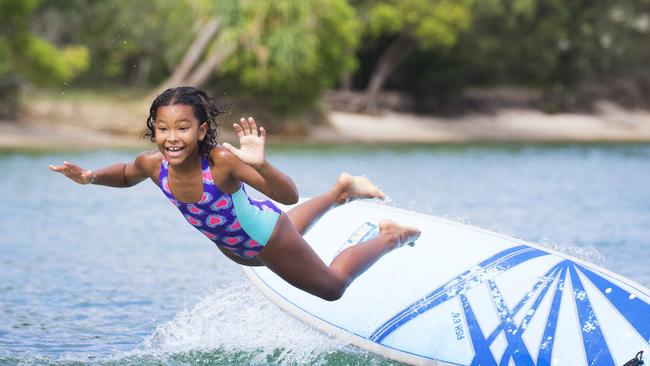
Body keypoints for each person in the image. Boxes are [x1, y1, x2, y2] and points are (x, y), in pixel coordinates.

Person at [49, 86, 420, 301]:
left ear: (201, 130)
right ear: (154, 131)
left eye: (182, 128)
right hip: (244, 244)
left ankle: (389, 236)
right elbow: (128, 174)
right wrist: (90, 176)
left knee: (332, 288)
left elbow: (287, 195)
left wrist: (260, 165)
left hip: (265, 238)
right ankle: (340, 191)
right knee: (285, 230)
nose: (172, 138)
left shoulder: (221, 162)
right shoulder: (152, 164)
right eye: (163, 129)